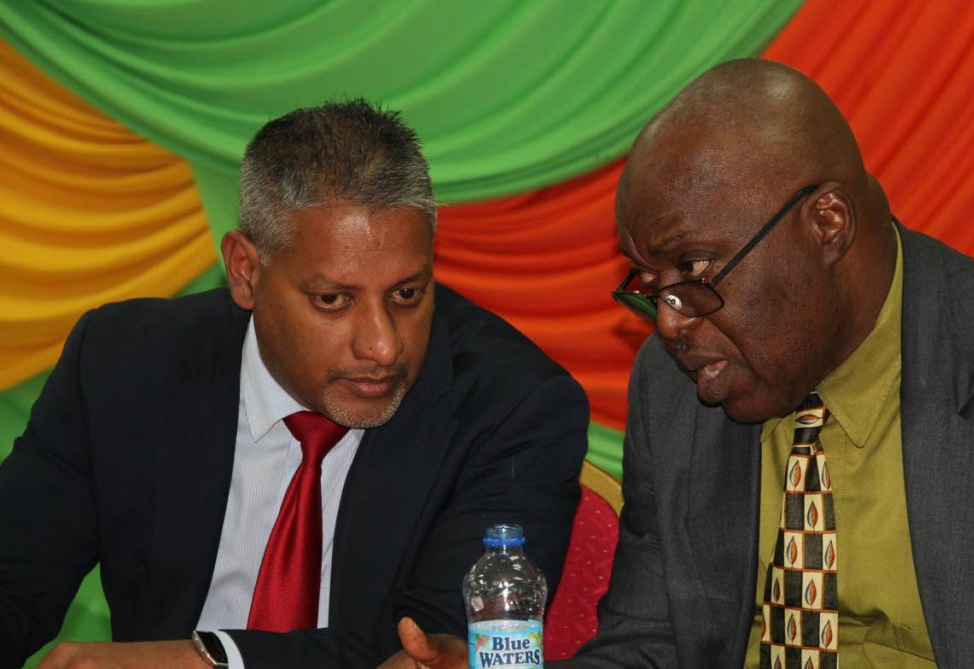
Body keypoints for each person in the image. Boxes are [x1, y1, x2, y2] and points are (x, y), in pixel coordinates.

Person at [380, 59, 974, 668]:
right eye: (650, 282)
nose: (668, 323)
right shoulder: (673, 390)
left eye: (693, 269)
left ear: (828, 224)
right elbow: (648, 647)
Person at [0, 100, 589, 669]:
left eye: (407, 294)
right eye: (333, 300)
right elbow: (14, 580)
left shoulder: (513, 404)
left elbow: (441, 648)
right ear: (245, 272)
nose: (383, 346)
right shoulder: (123, 363)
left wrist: (209, 661)